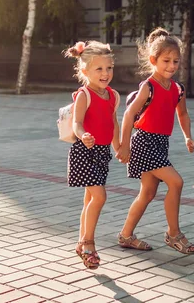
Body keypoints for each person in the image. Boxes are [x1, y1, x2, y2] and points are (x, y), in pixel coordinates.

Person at [116, 27, 194, 255]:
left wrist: (188, 136)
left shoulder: (177, 89)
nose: (171, 66)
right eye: (166, 61)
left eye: (175, 61)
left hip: (161, 143)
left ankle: (126, 235)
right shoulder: (148, 87)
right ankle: (174, 234)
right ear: (153, 60)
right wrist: (124, 145)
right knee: (176, 182)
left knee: (148, 193)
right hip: (144, 143)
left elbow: (182, 114)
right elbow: (129, 115)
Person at [64, 40, 120, 269]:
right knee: (99, 197)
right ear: (85, 71)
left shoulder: (113, 95)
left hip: (102, 153)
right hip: (84, 152)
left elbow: (114, 123)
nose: (105, 73)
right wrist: (84, 134)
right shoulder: (84, 95)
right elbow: (76, 123)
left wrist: (119, 148)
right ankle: (88, 243)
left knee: (90, 200)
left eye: (109, 68)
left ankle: (81, 243)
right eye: (99, 69)